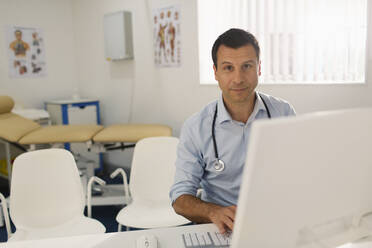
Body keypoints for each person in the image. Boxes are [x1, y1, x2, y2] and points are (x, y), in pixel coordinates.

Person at [170, 28, 296, 234]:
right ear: (216, 72)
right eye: (228, 68)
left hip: (273, 220)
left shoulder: (283, 113)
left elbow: (298, 170)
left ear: (259, 68)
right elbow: (180, 198)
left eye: (246, 66)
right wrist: (213, 212)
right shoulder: (196, 127)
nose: (238, 78)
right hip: (220, 228)